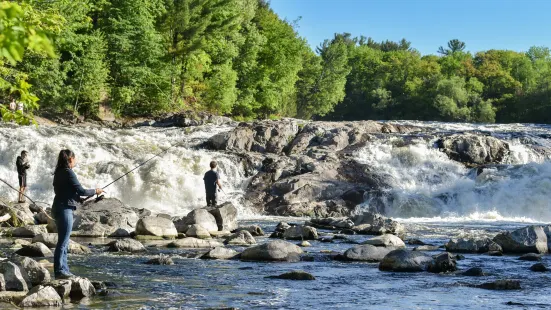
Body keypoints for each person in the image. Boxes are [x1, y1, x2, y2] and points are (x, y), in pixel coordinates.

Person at [52, 150, 102, 279]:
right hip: (65, 209)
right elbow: (81, 190)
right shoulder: (69, 172)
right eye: (75, 159)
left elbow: (66, 191)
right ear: (70, 160)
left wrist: (78, 199)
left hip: (58, 207)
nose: (76, 161)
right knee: (63, 242)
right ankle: (60, 271)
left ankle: (64, 270)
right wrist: (95, 191)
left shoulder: (58, 172)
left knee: (63, 241)